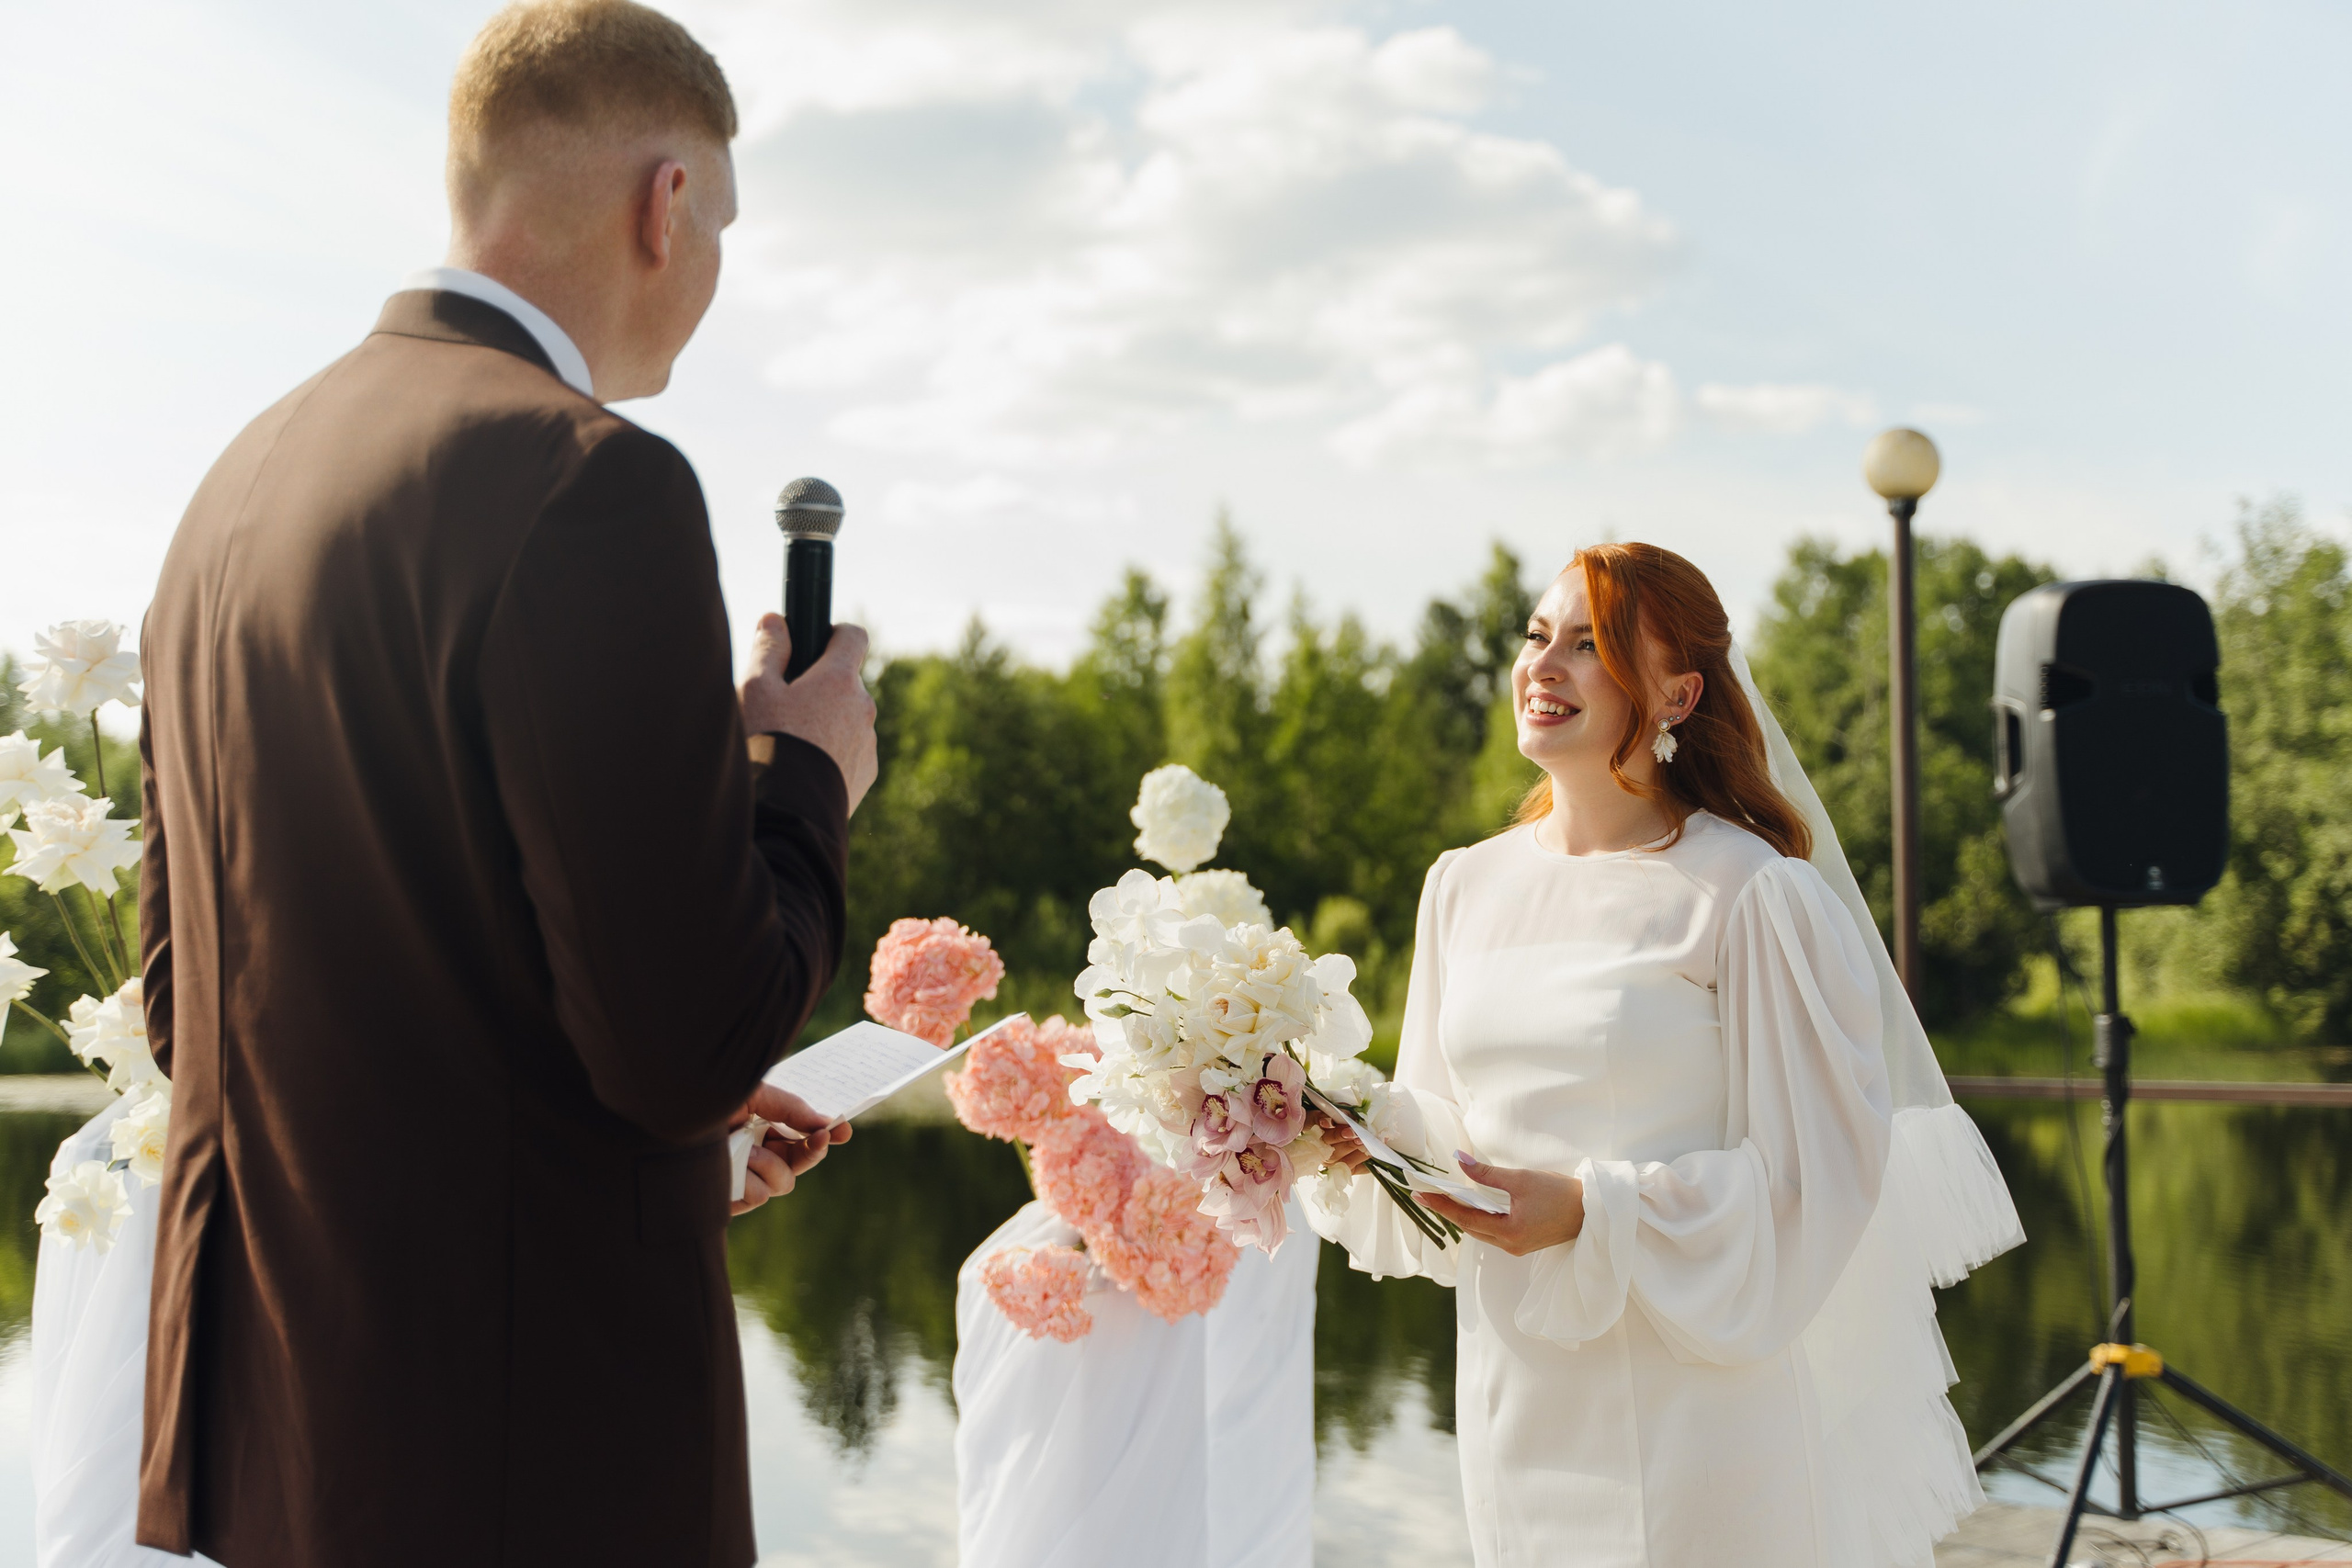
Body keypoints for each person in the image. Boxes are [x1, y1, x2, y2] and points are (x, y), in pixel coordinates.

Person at [128, 4, 876, 1565]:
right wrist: (802, 780)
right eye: (720, 226)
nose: (713, 274)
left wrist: (662, 1145)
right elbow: (683, 1045)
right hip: (529, 1469)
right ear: (666, 204)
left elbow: (189, 1005)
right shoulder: (589, 481)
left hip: (289, 1454)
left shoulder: (237, 486)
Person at [1306, 543, 2023, 1568]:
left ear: (1678, 691)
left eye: (1588, 645)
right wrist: (1340, 1126)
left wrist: (1595, 1210)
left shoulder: (1747, 890)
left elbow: (1817, 1171)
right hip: (1518, 1383)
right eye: (1536, 636)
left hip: (1699, 1396)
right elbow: (1446, 1128)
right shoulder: (1460, 887)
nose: (1542, 666)